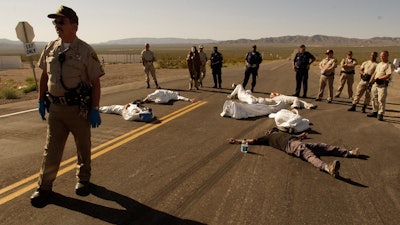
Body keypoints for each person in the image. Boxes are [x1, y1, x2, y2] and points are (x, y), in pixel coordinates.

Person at [31, 5, 105, 208]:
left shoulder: (85, 51)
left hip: (78, 110)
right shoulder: (50, 47)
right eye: (55, 22)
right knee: (51, 150)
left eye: (61, 21)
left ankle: (83, 179)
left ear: (74, 26)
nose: (57, 25)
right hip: (55, 110)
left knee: (83, 146)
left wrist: (95, 109)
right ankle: (44, 187)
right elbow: (45, 76)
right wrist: (40, 100)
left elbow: (95, 82)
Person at [227, 129, 360, 177]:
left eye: (271, 131)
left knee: (323, 146)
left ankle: (348, 152)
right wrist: (237, 140)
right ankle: (327, 168)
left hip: (297, 141)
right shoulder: (267, 139)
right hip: (291, 146)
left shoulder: (281, 133)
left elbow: (295, 136)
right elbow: (252, 140)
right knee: (309, 155)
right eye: (269, 132)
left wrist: (301, 135)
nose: (269, 132)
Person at [228, 84, 317, 109]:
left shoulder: (279, 96)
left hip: (278, 100)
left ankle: (308, 106)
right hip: (263, 100)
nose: (273, 93)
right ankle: (296, 105)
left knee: (299, 101)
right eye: (272, 94)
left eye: (273, 93)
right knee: (296, 99)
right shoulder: (275, 97)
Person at [367, 50, 394, 121]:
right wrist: (370, 82)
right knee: (373, 98)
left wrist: (380, 78)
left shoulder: (389, 65)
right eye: (381, 55)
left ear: (387, 56)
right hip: (375, 84)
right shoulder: (379, 64)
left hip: (382, 85)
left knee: (381, 100)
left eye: (384, 55)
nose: (382, 57)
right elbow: (374, 73)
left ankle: (381, 113)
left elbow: (388, 75)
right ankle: (375, 111)